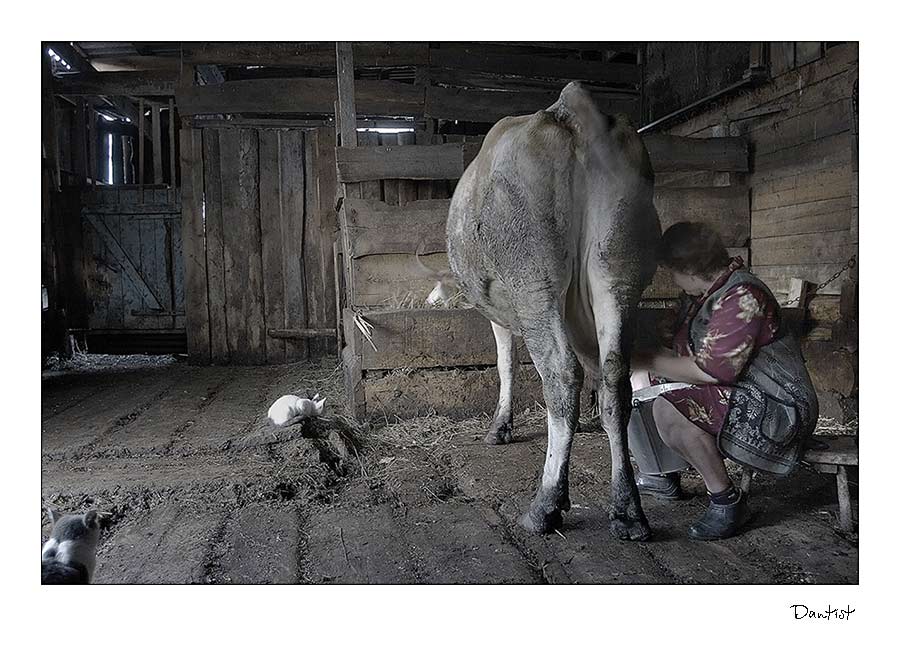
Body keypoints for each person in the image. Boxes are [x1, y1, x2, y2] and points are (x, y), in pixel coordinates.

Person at [630, 222, 819, 540]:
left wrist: (648, 357)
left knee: (668, 409)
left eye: (673, 273)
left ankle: (727, 502)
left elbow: (713, 371)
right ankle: (661, 473)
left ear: (688, 269)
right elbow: (677, 342)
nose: (673, 281)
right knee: (637, 379)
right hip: (743, 389)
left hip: (779, 403)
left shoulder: (742, 296)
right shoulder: (704, 293)